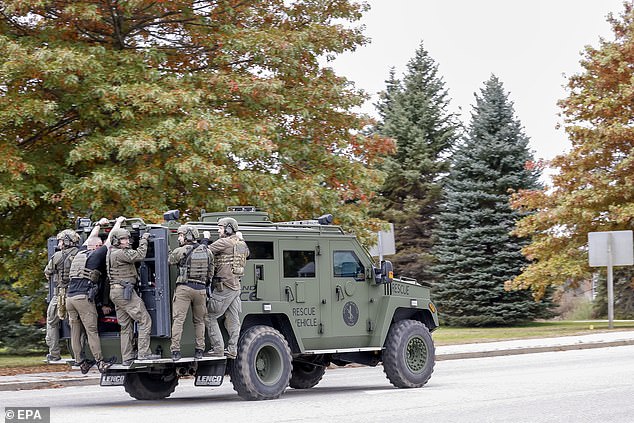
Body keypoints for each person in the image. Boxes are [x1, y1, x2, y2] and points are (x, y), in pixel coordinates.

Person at [66, 217, 122, 373]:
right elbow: (110, 239)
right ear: (97, 246)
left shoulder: (80, 253)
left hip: (69, 298)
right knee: (92, 331)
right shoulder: (96, 255)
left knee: (75, 331)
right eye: (99, 245)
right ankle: (100, 362)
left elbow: (90, 238)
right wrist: (118, 222)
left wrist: (98, 224)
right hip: (82, 298)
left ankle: (80, 361)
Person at [107, 222, 160, 365]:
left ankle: (127, 357)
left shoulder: (111, 252)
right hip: (124, 292)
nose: (127, 241)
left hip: (117, 292)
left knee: (125, 326)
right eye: (124, 239)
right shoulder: (120, 253)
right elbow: (140, 255)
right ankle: (143, 353)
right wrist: (144, 239)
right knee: (145, 320)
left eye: (127, 239)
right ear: (116, 241)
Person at [204, 217, 249, 358]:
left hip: (225, 287)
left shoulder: (224, 242)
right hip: (236, 287)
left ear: (229, 229)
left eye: (221, 228)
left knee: (209, 316)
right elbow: (248, 254)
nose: (218, 230)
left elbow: (203, 252)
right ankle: (232, 349)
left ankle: (217, 349)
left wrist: (205, 239)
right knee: (233, 319)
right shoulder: (241, 244)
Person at [168, 225, 214, 361]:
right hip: (200, 290)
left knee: (178, 320)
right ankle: (199, 350)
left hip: (184, 289)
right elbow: (211, 272)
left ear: (188, 236)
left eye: (181, 235)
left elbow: (169, 260)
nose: (179, 238)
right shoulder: (208, 252)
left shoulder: (181, 250)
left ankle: (175, 351)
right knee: (200, 321)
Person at [44, 229, 81, 362]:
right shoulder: (81, 254)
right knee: (77, 324)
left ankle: (54, 353)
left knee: (52, 322)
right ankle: (80, 355)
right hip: (76, 293)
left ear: (66, 241)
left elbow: (47, 272)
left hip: (60, 294)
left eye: (60, 240)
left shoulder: (58, 256)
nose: (59, 243)